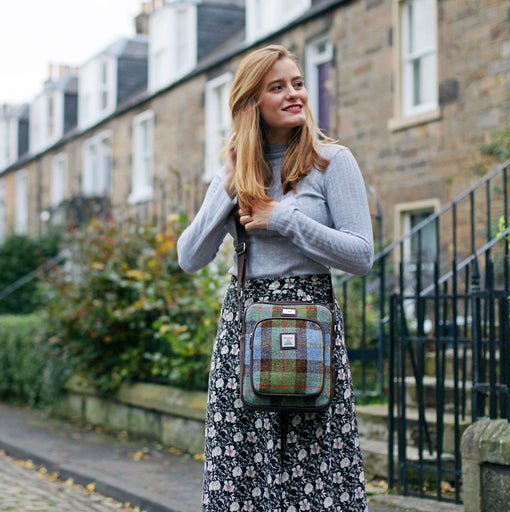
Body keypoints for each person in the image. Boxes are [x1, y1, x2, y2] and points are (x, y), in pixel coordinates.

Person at [177, 44, 373, 512]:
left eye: (298, 83)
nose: (294, 94)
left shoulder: (332, 161)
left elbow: (361, 254)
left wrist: (283, 219)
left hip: (310, 328)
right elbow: (189, 256)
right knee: (243, 472)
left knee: (315, 472)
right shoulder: (233, 172)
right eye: (278, 86)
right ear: (252, 102)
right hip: (244, 327)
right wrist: (227, 187)